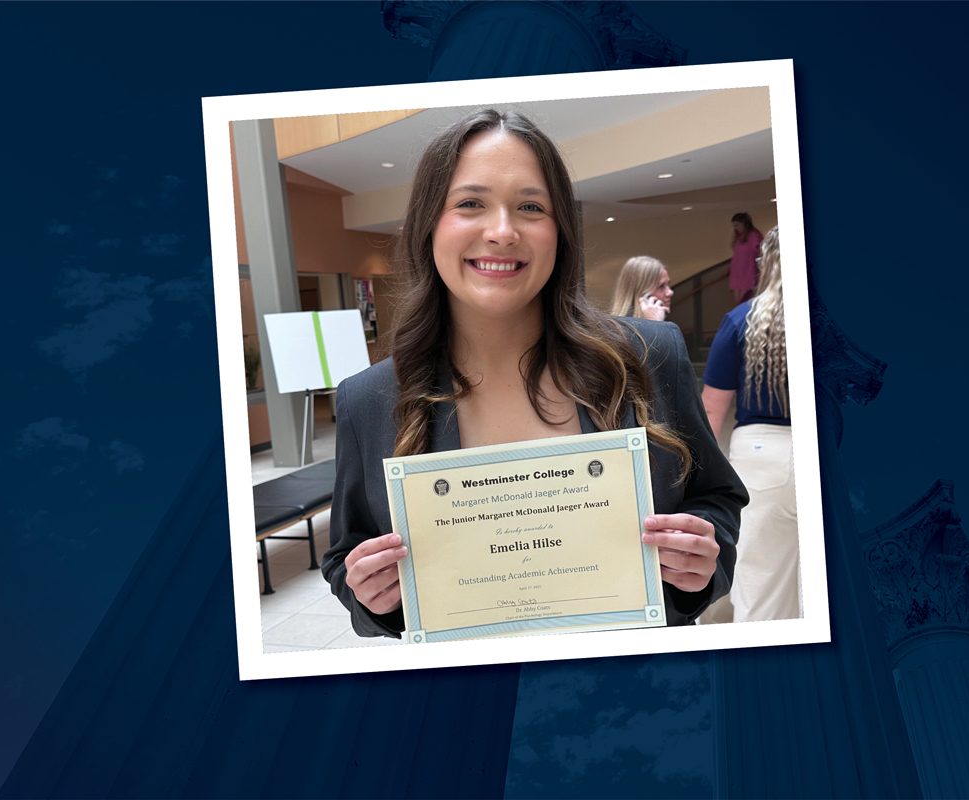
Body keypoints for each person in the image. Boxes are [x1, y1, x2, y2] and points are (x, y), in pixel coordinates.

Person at [321, 109, 748, 638]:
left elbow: (718, 498)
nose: (502, 232)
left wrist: (699, 561)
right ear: (430, 223)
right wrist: (374, 598)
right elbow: (346, 557)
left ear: (560, 230)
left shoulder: (648, 357)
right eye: (470, 203)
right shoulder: (369, 399)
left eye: (530, 206)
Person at [699, 226, 799, 623]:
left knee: (762, 583)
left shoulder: (742, 320)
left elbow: (712, 411)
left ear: (767, 261)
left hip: (761, 458)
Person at [609, 255, 673, 321]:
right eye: (661, 286)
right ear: (642, 295)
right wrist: (655, 323)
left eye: (668, 284)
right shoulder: (622, 329)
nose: (670, 292)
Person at [728, 212, 763, 304]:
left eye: (737, 225)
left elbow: (760, 251)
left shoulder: (754, 235)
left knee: (746, 300)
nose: (735, 228)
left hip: (748, 271)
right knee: (738, 302)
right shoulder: (738, 237)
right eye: (734, 226)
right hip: (737, 272)